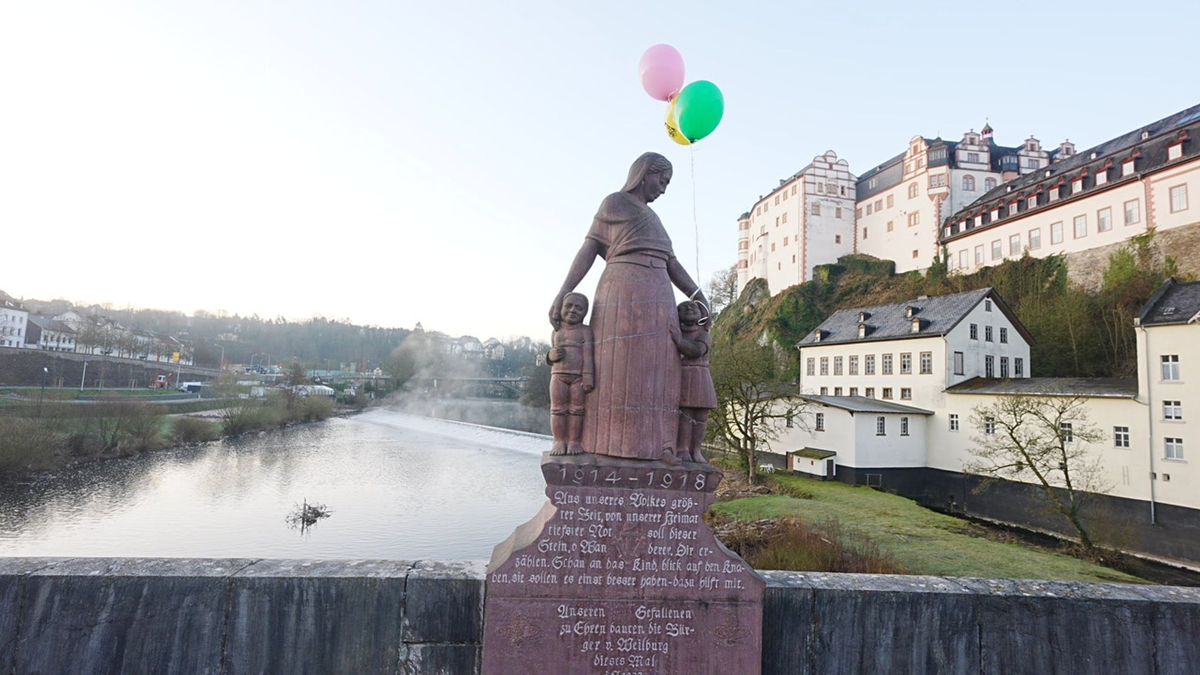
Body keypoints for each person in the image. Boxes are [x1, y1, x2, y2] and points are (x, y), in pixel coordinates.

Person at [549, 152, 707, 463]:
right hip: (620, 292)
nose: (662, 189)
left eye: (667, 184)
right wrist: (564, 290)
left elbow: (672, 263)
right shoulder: (614, 203)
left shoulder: (655, 219)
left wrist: (697, 293)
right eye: (661, 181)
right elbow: (589, 248)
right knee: (615, 369)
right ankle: (606, 443)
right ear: (645, 174)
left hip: (660, 297)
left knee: (659, 372)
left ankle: (658, 447)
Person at [547, 293, 594, 456]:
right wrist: (550, 356)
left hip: (578, 378)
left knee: (577, 409)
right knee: (557, 410)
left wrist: (588, 375)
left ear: (585, 313)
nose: (573, 310)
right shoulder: (557, 331)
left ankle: (574, 441)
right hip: (558, 376)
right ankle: (559, 440)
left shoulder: (585, 331)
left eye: (579, 308)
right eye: (568, 306)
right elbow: (551, 353)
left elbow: (588, 355)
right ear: (560, 308)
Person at [671, 300, 715, 463]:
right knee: (684, 413)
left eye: (694, 307)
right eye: (684, 307)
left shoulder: (704, 335)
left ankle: (696, 450)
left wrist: (679, 341)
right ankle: (682, 449)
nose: (689, 308)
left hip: (700, 373)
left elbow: (697, 351)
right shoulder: (676, 332)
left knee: (701, 414)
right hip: (682, 374)